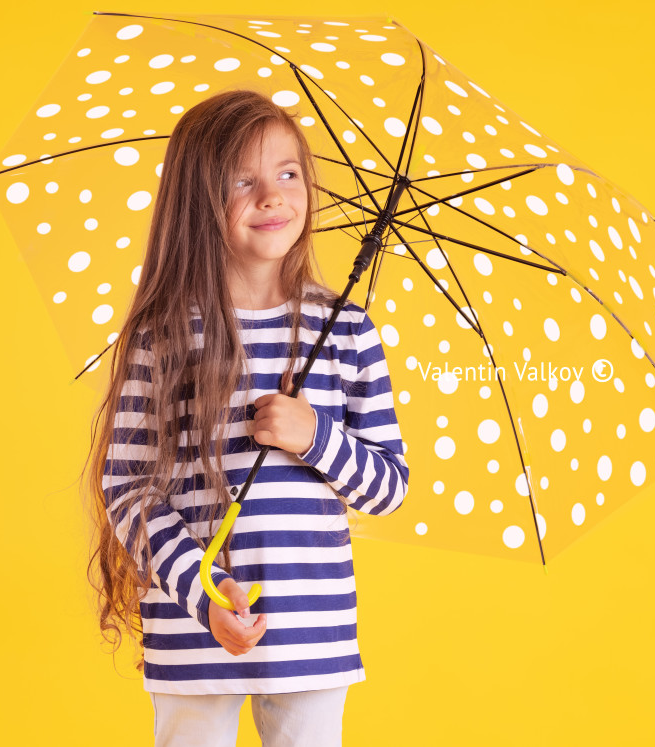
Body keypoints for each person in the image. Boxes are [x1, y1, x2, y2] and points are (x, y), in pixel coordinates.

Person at [81, 89, 410, 746]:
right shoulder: (164, 333)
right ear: (198, 203)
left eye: (289, 173)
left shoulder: (345, 331)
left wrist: (315, 435)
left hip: (311, 630)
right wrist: (205, 589)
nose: (273, 196)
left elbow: (388, 485)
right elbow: (128, 486)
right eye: (243, 181)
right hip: (192, 625)